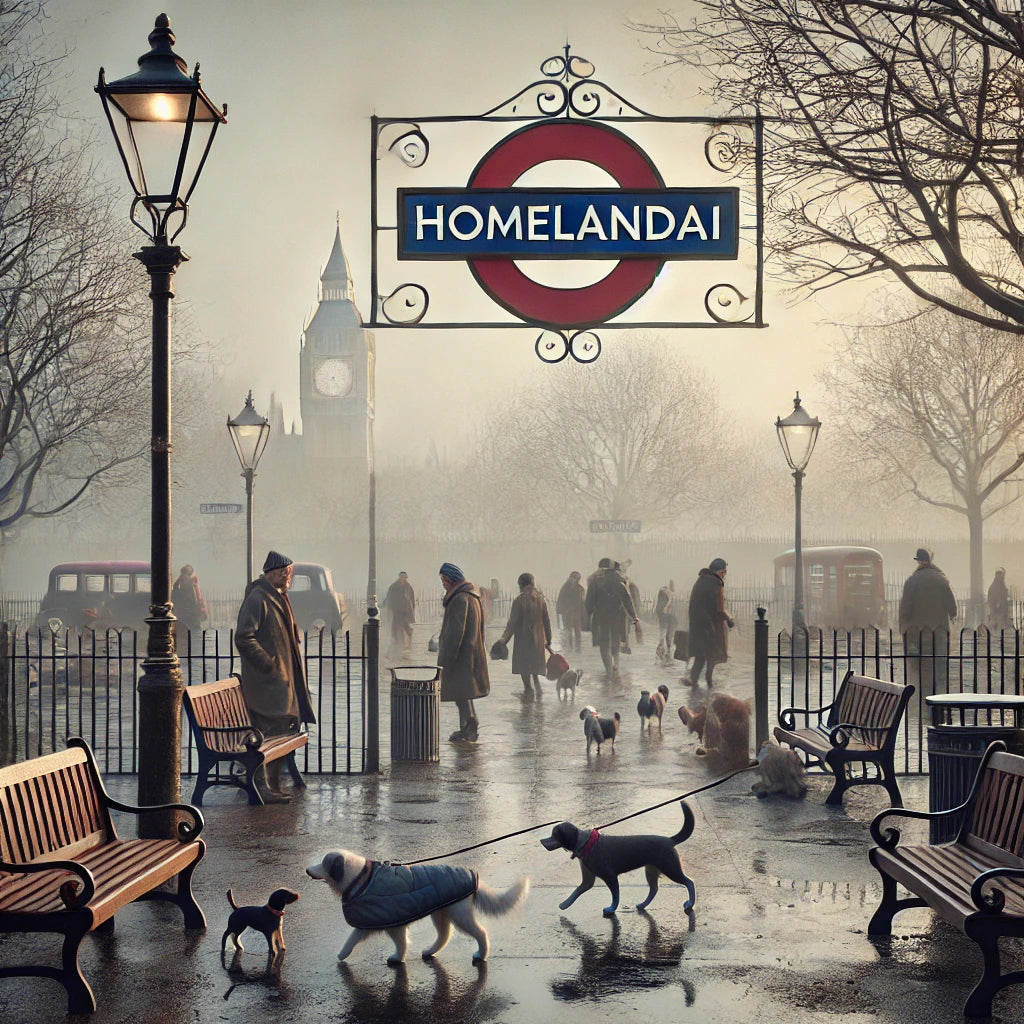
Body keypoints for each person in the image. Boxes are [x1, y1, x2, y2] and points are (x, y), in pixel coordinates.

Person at [235, 551, 317, 803]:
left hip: (280, 683)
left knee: (283, 728)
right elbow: (243, 637)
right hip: (267, 685)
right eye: (285, 573)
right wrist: (269, 665)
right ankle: (261, 785)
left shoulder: (278, 596)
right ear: (273, 573)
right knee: (269, 732)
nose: (288, 576)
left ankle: (273, 783)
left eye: (289, 572)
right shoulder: (258, 599)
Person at [437, 562, 489, 743]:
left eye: (444, 579)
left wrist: (446, 659)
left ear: (451, 579)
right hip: (470, 652)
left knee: (460, 694)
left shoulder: (460, 599)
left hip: (461, 655)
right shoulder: (471, 597)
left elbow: (455, 632)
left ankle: (469, 726)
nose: (443, 583)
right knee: (463, 693)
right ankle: (466, 728)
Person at [899, 547, 958, 692]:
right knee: (939, 660)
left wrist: (904, 625)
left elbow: (905, 607)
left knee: (921, 663)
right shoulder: (942, 579)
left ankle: (921, 689)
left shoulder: (912, 581)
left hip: (918, 630)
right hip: (940, 628)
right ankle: (940, 687)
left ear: (919, 562)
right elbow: (952, 606)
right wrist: (952, 615)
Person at [498, 572, 553, 699]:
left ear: (521, 584)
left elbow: (512, 623)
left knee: (525, 667)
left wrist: (503, 640)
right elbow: (546, 621)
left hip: (523, 640)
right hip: (538, 640)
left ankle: (528, 693)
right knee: (534, 666)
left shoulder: (519, 600)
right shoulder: (540, 599)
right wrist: (548, 639)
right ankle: (538, 692)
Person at [586, 557, 639, 678]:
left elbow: (589, 602)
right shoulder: (621, 582)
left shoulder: (595, 582)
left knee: (604, 645)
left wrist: (588, 614)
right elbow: (628, 601)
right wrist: (634, 616)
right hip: (617, 618)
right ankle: (615, 666)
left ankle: (608, 669)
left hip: (601, 618)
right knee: (615, 642)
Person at [685, 558, 734, 689]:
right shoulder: (716, 584)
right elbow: (719, 609)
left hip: (697, 626)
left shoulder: (701, 580)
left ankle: (694, 681)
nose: (725, 574)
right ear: (721, 571)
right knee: (711, 655)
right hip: (710, 626)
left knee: (700, 655)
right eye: (724, 571)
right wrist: (729, 619)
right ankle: (709, 682)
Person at [171, 563, 206, 658]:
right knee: (193, 633)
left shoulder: (179, 581)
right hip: (189, 614)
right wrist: (196, 609)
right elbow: (191, 599)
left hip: (182, 612)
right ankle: (192, 653)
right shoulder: (187, 582)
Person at [382, 571, 416, 656]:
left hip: (405, 612)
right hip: (397, 611)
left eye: (405, 578)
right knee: (396, 629)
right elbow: (388, 598)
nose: (404, 579)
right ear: (399, 578)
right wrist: (384, 605)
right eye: (402, 577)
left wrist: (412, 609)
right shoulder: (394, 587)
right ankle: (396, 647)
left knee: (405, 628)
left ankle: (403, 646)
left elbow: (412, 599)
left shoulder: (408, 587)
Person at [556, 571, 586, 651]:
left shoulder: (579, 588)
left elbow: (582, 602)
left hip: (575, 612)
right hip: (568, 612)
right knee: (569, 631)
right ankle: (571, 647)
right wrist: (560, 610)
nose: (574, 579)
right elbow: (561, 599)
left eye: (576, 578)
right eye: (574, 577)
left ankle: (577, 648)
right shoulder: (566, 587)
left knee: (576, 631)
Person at [655, 580, 677, 652]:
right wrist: (666, 608)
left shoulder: (664, 591)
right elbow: (668, 601)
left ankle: (663, 646)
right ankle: (663, 647)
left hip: (663, 612)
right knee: (665, 629)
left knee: (663, 629)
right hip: (665, 612)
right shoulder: (666, 591)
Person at [988, 568, 1012, 632]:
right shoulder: (995, 585)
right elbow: (992, 596)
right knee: (997, 621)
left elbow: (1004, 594)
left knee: (1001, 622)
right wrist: (996, 603)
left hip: (1002, 606)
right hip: (997, 606)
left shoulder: (1002, 584)